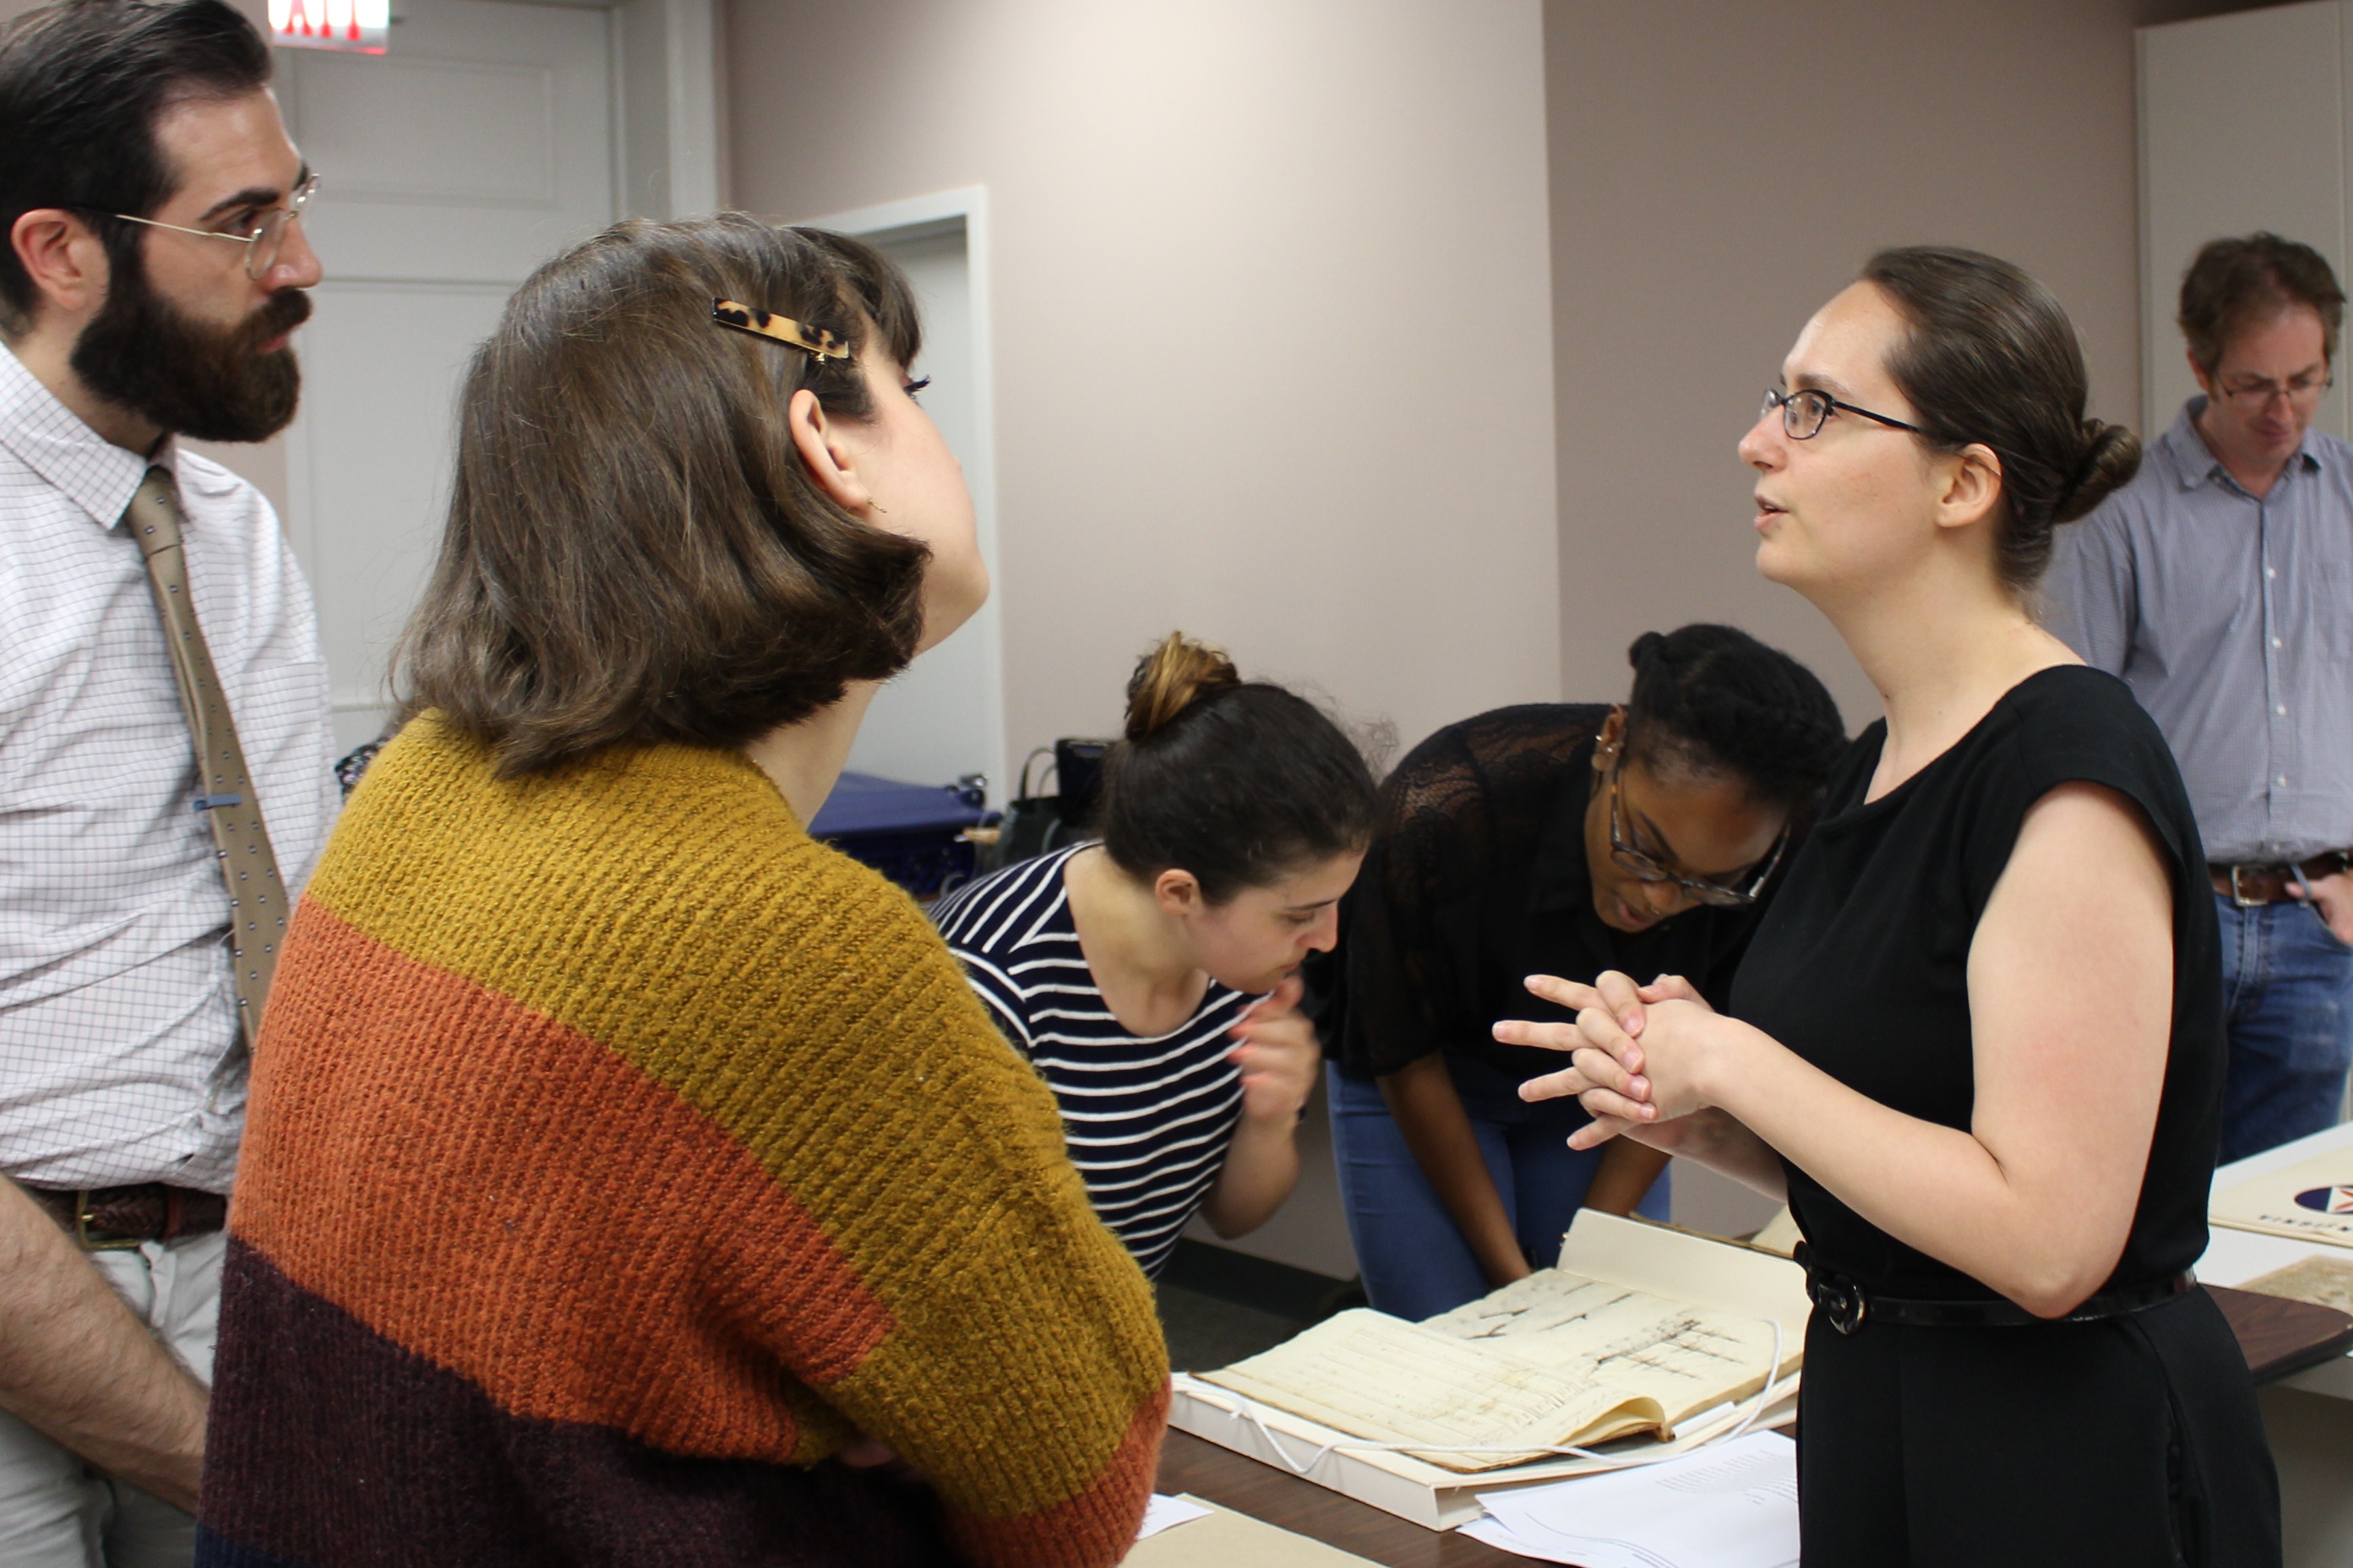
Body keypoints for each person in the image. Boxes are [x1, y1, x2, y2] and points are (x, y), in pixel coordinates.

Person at [194, 216, 1167, 1568]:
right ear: (826, 449)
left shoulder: (422, 783)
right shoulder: (789, 941)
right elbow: (1078, 1473)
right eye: (912, 392)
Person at [1518, 247, 2277, 1566]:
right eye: (1775, 399)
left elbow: (2046, 1240)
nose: (1755, 440)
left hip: (2058, 1454)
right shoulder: (1872, 765)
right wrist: (1707, 1112)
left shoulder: (2065, 771)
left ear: (1960, 481)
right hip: (1884, 1403)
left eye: (1813, 407)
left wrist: (1743, 1058)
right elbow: (1895, 1157)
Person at [0, 3, 334, 1563]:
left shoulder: (242, 544)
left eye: (296, 203)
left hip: (249, 1273)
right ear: (62, 253)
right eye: (241, 222)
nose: (301, 267)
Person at [1318, 625, 1845, 1319]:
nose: (1659, 900)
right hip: (1428, 1074)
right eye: (1644, 850)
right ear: (1612, 743)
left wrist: (1588, 1251)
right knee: (1448, 1330)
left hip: (1614, 1091)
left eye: (1707, 883)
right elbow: (1405, 1055)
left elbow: (1686, 1077)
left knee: (1600, 1315)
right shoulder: (1447, 805)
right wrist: (1510, 1275)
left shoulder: (1783, 857)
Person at [932, 633, 1375, 1279]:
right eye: (1300, 915)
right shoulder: (993, 980)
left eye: (1335, 905)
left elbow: (1231, 1217)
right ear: (1180, 893)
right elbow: (941, 1271)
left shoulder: (1239, 964)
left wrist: (1270, 1122)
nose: (1327, 940)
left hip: (1113, 1346)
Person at [2047, 233, 2353, 1163]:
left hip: (2315, 922)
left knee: (2283, 1227)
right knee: (2145, 1192)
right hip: (2175, 911)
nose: (2281, 410)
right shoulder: (2121, 508)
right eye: (2252, 384)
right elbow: (2074, 723)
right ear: (2198, 366)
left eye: (2305, 380)